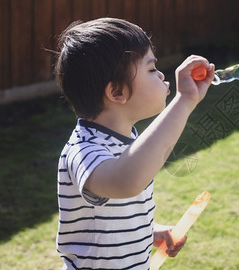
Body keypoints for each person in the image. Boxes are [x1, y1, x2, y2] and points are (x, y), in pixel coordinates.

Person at [55, 17, 214, 269]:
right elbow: (125, 182)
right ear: (117, 92)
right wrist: (185, 101)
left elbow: (112, 213)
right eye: (151, 69)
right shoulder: (83, 150)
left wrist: (150, 231)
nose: (161, 74)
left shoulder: (129, 140)